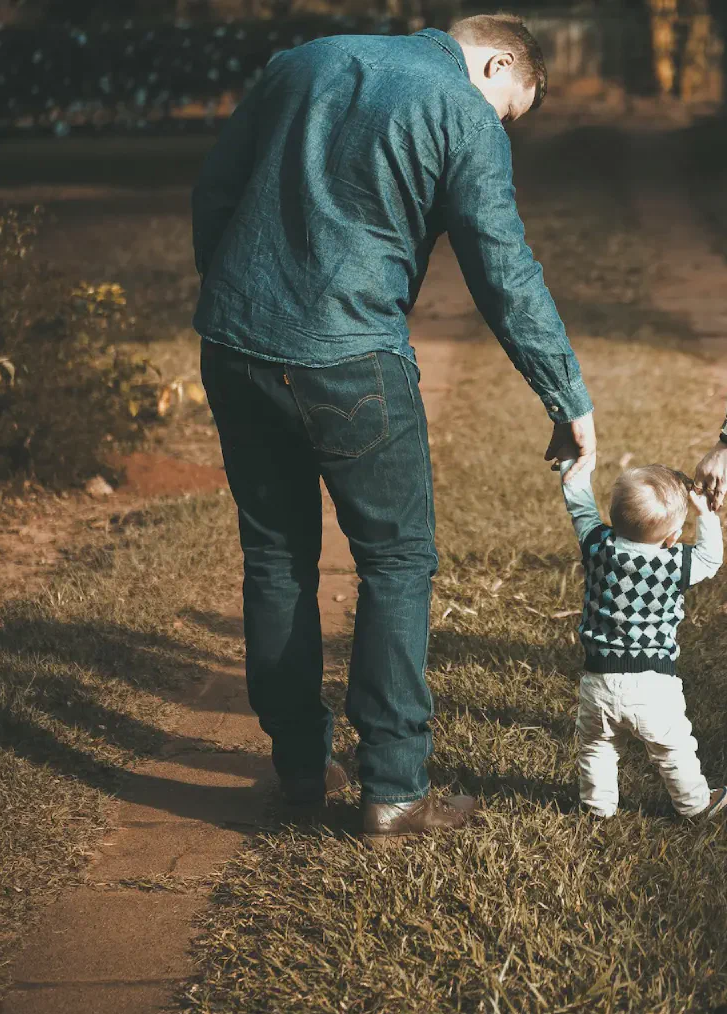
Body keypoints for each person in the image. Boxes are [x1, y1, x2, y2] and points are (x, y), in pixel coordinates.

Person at [192, 13, 596, 845]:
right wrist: (565, 396)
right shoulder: (462, 111)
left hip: (234, 345)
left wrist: (239, 304)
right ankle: (396, 789)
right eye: (509, 110)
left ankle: (302, 770)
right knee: (397, 560)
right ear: (495, 62)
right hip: (351, 360)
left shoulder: (299, 61)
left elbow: (215, 192)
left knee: (275, 556)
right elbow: (503, 268)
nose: (500, 127)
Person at [559, 455, 726, 820]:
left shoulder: (598, 547)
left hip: (598, 680)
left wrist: (574, 468)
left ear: (615, 517)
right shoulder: (674, 564)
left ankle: (598, 807)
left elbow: (580, 509)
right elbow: (711, 559)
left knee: (597, 747)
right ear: (672, 536)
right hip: (653, 685)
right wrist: (706, 515)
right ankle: (695, 804)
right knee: (673, 748)